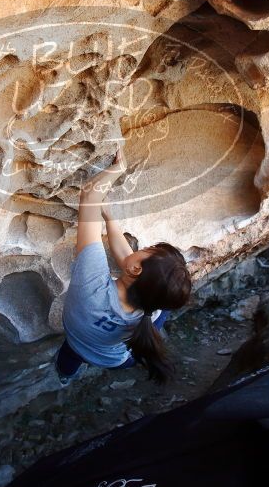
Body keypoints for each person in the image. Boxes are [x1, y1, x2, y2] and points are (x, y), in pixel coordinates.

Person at [55, 147, 193, 385]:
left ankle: (64, 375)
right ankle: (68, 374)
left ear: (136, 270)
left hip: (78, 342)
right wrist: (109, 220)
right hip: (116, 358)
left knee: (72, 353)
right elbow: (130, 265)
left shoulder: (93, 286)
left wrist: (117, 168)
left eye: (144, 250)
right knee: (165, 302)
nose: (139, 250)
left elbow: (89, 195)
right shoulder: (151, 305)